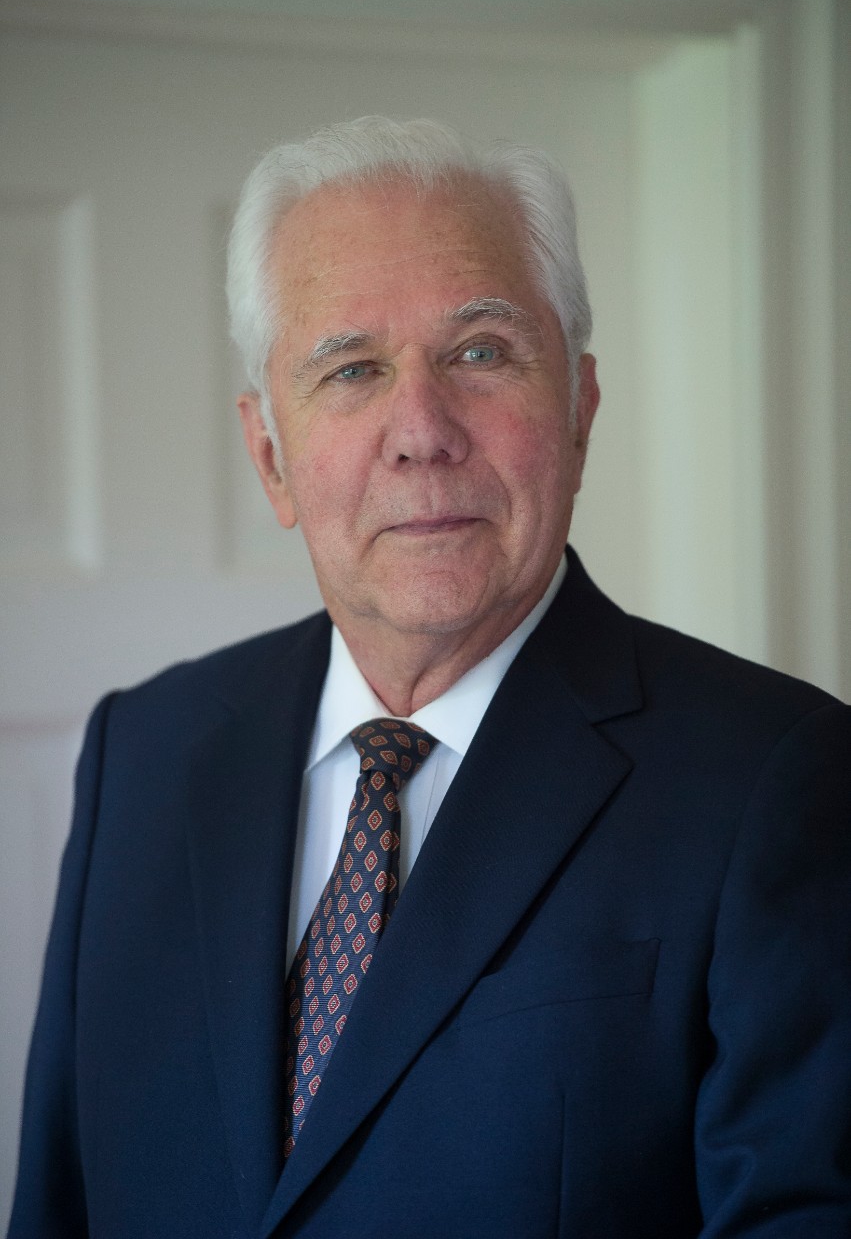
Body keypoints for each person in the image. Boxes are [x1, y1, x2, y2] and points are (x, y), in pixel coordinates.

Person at [8, 116, 851, 1239]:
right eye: (350, 368)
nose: (421, 430)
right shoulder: (143, 750)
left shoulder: (776, 774)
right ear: (270, 456)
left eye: (480, 351)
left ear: (579, 410)